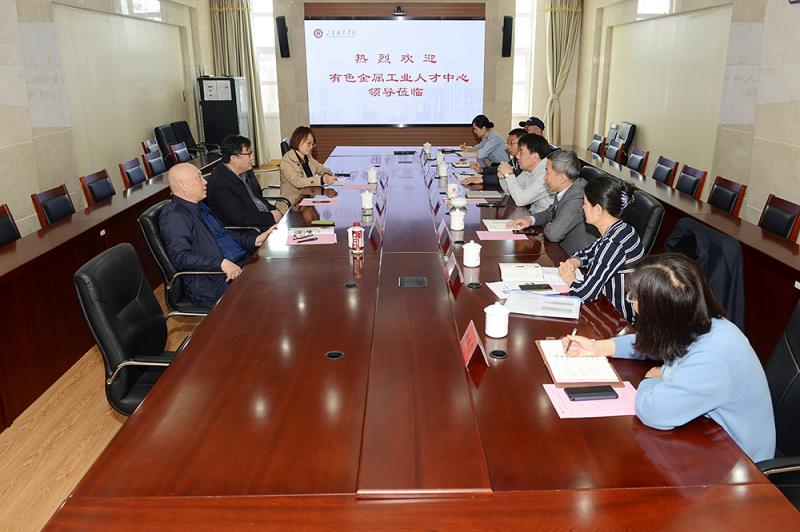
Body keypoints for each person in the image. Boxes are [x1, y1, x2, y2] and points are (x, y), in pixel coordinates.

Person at [562, 253, 775, 463]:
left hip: (740, 463)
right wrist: (598, 347)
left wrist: (654, 378)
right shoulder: (697, 320)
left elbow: (654, 412)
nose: (633, 305)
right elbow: (654, 343)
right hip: (706, 435)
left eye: (634, 299)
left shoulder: (712, 356)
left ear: (660, 313)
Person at [159, 163, 274, 309]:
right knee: (269, 294)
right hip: (213, 280)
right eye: (199, 178)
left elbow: (223, 234)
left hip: (237, 264)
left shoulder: (200, 206)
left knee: (278, 274)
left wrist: (255, 239)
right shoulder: (174, 215)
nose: (205, 182)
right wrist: (220, 263)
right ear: (183, 185)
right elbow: (181, 257)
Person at [557, 175, 644, 321]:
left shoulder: (614, 243)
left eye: (585, 203)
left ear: (597, 209)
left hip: (616, 317)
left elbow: (586, 293)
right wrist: (574, 262)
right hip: (604, 304)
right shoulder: (621, 229)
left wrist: (570, 279)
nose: (583, 207)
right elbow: (590, 252)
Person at [506, 150, 597, 255]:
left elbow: (554, 234)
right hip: (561, 249)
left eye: (547, 173)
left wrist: (551, 224)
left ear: (562, 178)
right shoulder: (567, 187)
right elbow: (551, 212)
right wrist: (530, 220)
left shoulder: (577, 197)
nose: (544, 178)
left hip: (575, 255)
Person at [206, 135, 282, 232]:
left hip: (263, 221)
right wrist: (270, 217)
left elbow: (258, 198)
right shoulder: (220, 184)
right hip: (250, 231)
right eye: (248, 154)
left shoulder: (244, 172)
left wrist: (274, 211)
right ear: (234, 158)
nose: (252, 158)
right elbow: (240, 218)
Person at [497, 133, 554, 211]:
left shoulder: (547, 173)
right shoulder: (528, 170)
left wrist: (509, 174)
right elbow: (510, 192)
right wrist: (503, 177)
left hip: (546, 218)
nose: (517, 156)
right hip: (532, 214)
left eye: (521, 151)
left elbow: (520, 201)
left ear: (534, 156)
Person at [280, 126, 335, 195]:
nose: (311, 147)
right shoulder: (286, 161)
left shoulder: (307, 156)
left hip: (308, 194)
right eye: (308, 143)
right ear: (298, 140)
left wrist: (327, 175)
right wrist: (322, 180)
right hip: (293, 199)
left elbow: (321, 168)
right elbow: (298, 182)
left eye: (312, 144)